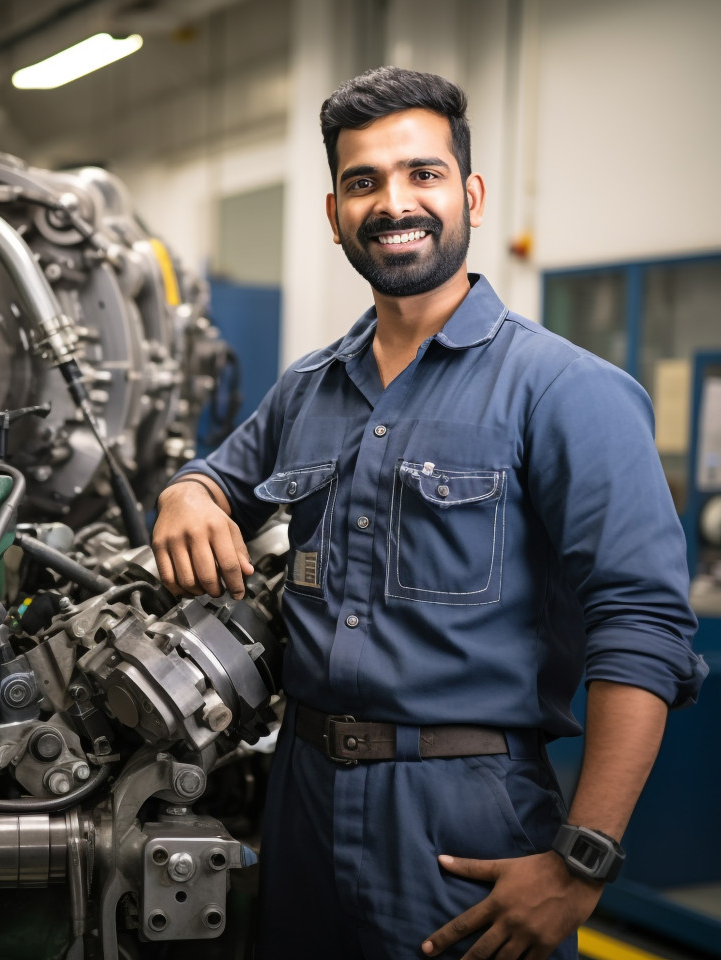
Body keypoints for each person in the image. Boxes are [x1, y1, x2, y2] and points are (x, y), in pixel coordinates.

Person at [151, 66, 706, 960]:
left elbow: (642, 628)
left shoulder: (566, 391)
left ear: (471, 194)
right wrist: (186, 495)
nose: (392, 202)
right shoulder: (309, 389)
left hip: (463, 815)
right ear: (334, 214)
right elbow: (212, 477)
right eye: (362, 181)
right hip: (299, 792)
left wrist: (582, 861)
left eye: (423, 173)